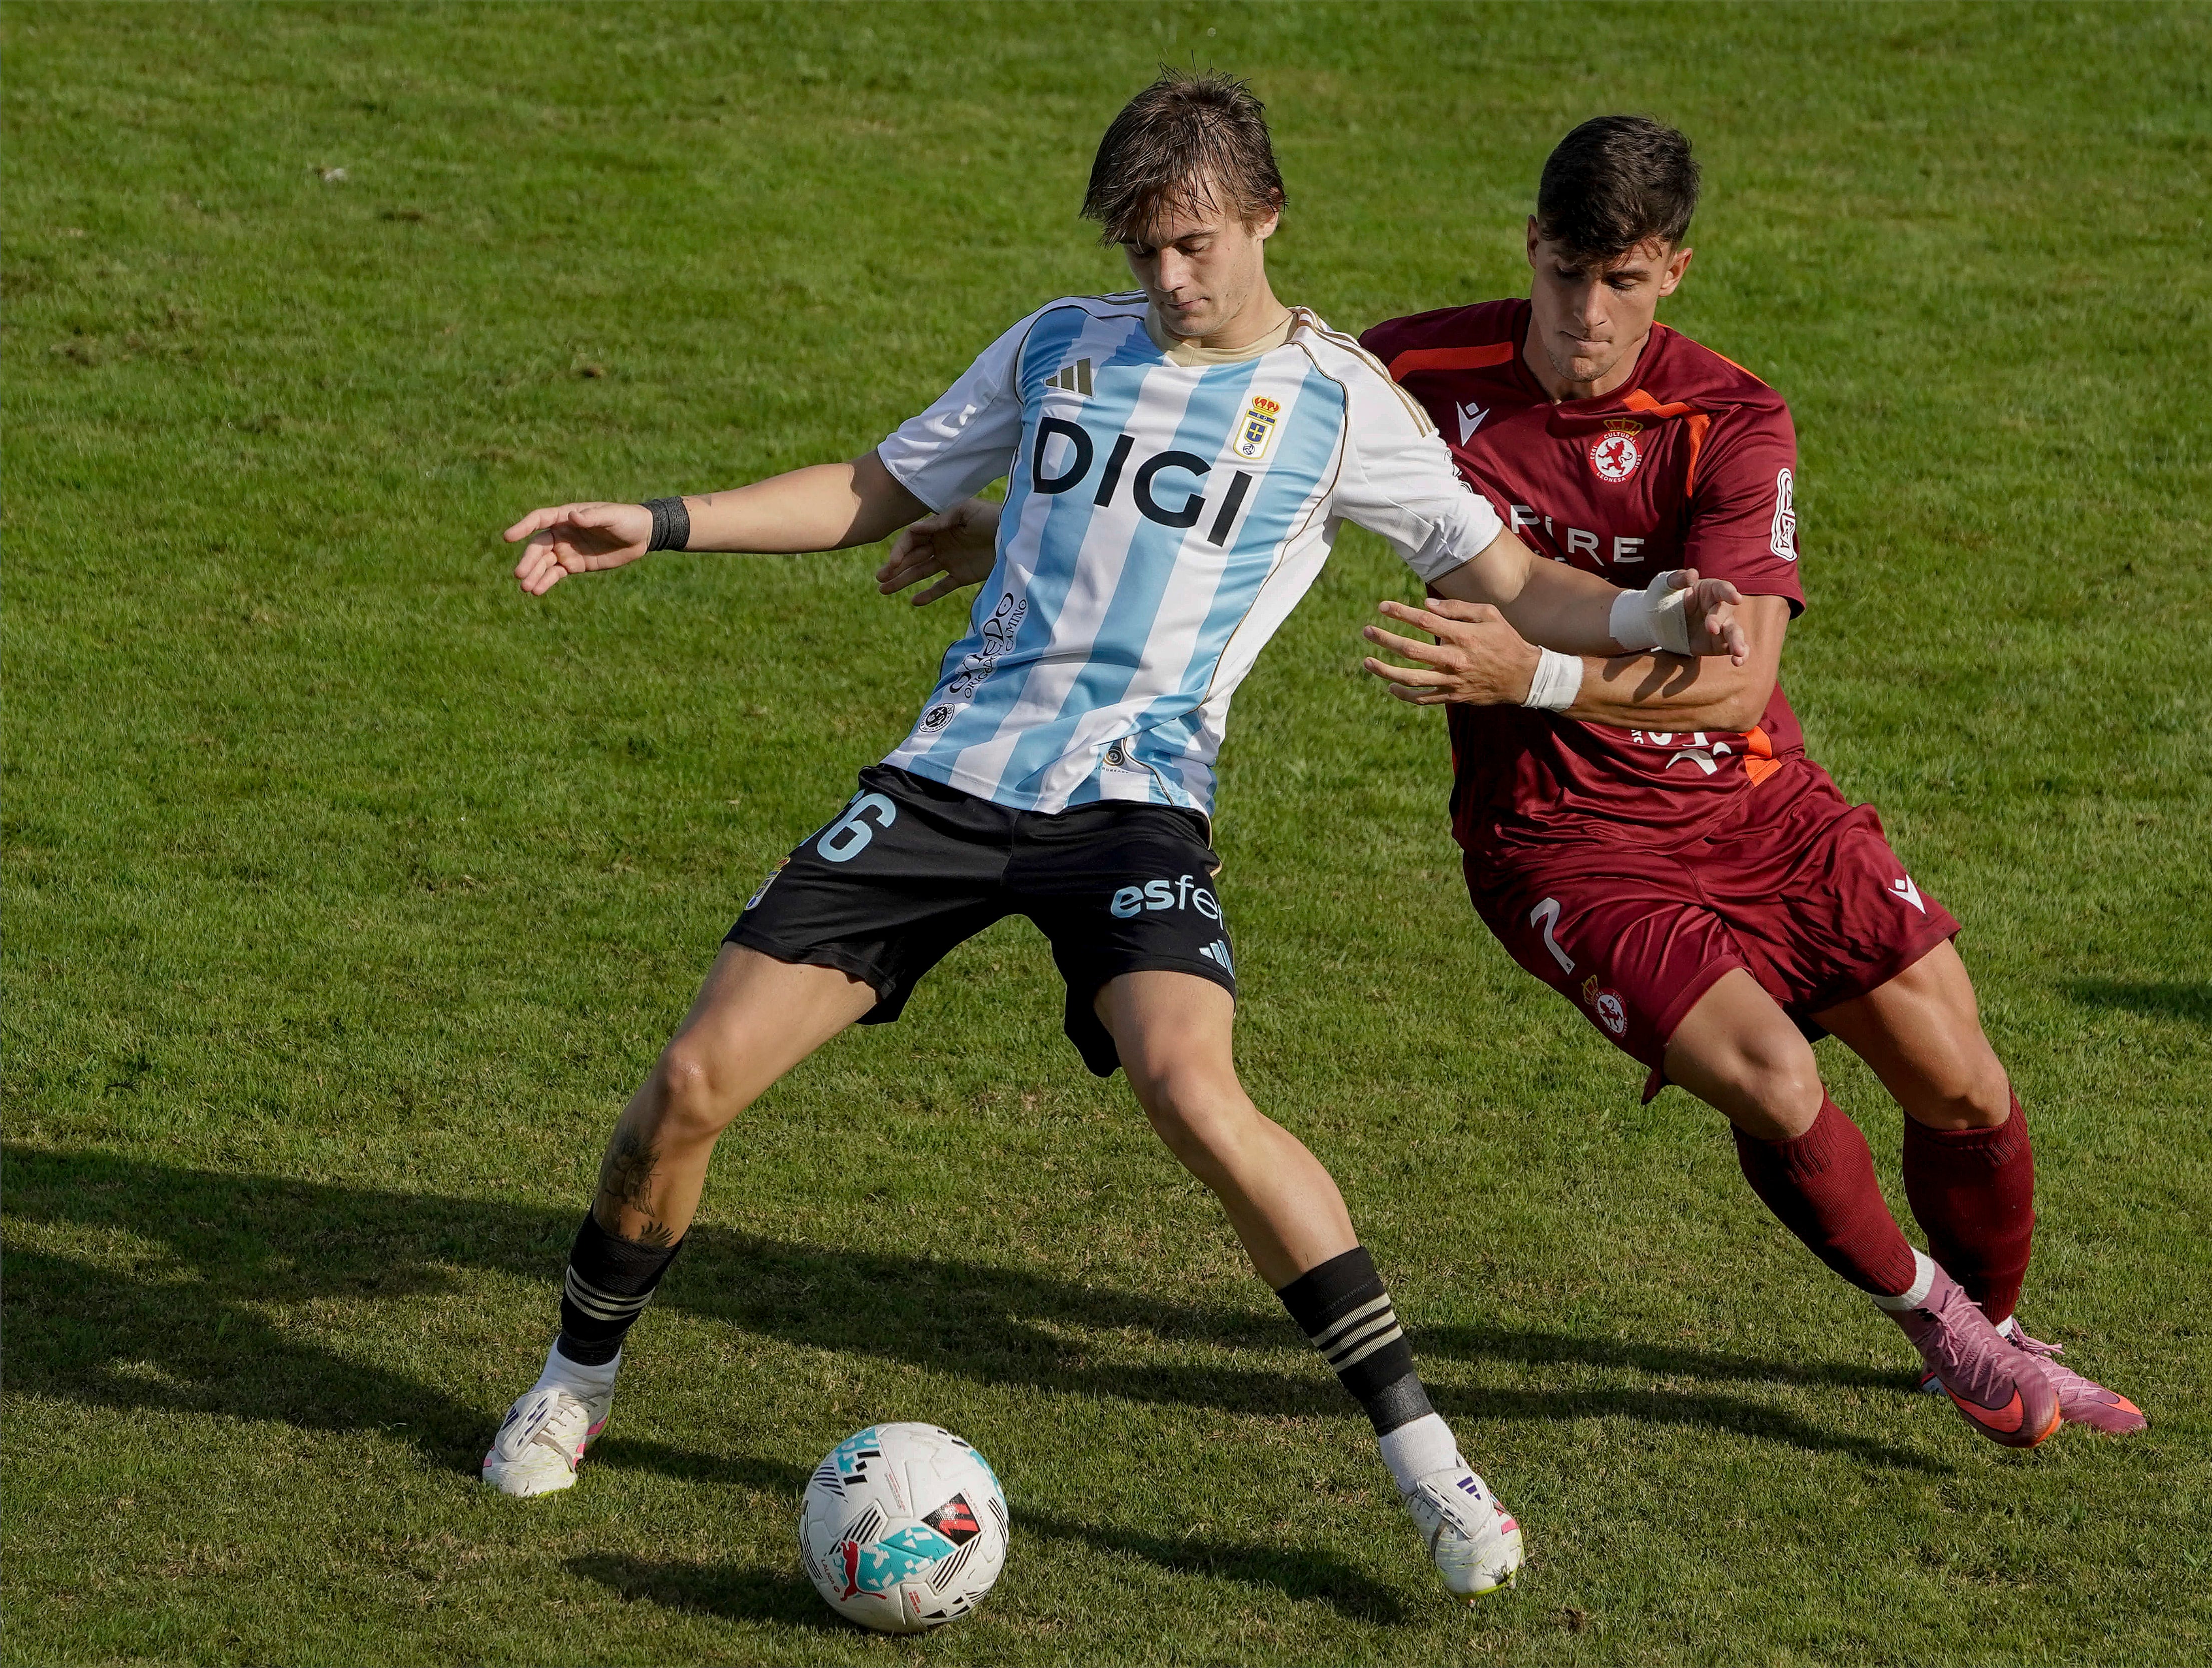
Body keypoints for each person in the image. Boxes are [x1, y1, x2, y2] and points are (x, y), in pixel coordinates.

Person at [481, 74, 1747, 1599]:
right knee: (689, 1081)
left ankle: (1426, 1461)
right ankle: (576, 1378)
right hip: (949, 783)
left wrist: (1664, 606)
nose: (1167, 280)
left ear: (1267, 216)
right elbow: (877, 491)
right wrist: (660, 520)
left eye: (1195, 245)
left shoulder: (1344, 405)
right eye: (1143, 248)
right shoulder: (1061, 346)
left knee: (1195, 1092)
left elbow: (1522, 583)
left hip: (1135, 803)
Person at [899, 117, 2141, 1447]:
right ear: (1532, 246)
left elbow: (1734, 685)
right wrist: (1020, 522)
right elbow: (1230, 433)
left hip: (1759, 800)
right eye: (1567, 276)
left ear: (1674, 271)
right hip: (1562, 835)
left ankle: (1991, 1332)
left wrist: (1532, 675)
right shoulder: (1415, 368)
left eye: (1624, 283)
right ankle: (1934, 1322)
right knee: (1776, 1080)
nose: (1588, 316)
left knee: (1963, 1083)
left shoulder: (1731, 418)